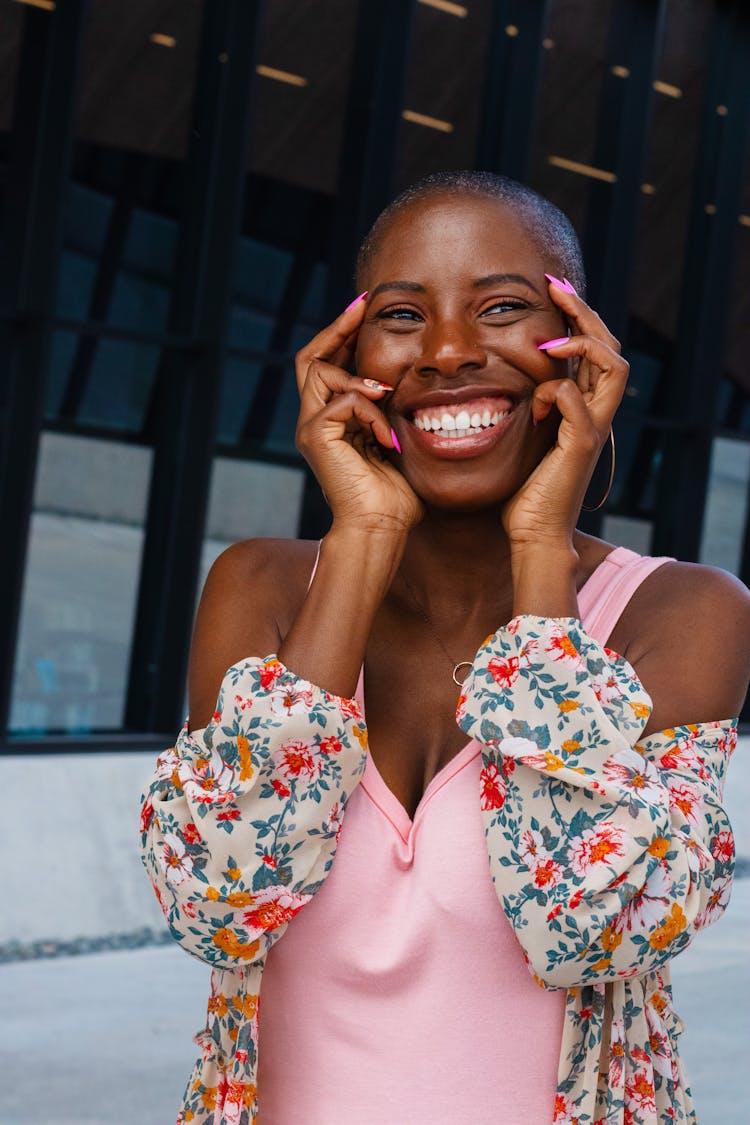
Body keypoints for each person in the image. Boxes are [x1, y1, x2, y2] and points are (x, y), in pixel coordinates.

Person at [139, 171, 750, 1125]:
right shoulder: (262, 588)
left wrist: (541, 547)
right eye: (402, 316)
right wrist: (364, 537)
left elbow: (590, 928)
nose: (450, 351)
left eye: (503, 307)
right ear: (348, 351)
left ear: (581, 346)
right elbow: (217, 899)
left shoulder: (675, 612)